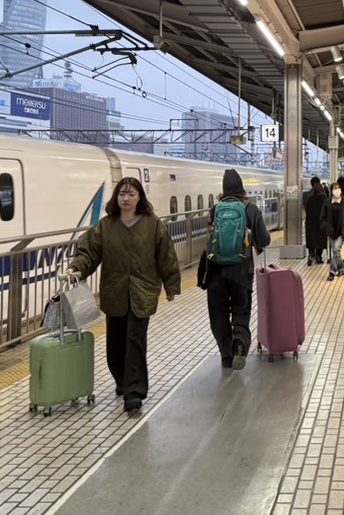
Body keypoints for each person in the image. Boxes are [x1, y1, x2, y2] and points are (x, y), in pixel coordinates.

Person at [67, 177, 180, 414]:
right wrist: (76, 268)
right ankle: (121, 379)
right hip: (114, 290)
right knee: (115, 342)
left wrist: (172, 286)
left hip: (143, 290)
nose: (125, 198)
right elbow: (89, 253)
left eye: (131, 194)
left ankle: (134, 392)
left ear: (140, 198)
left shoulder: (153, 225)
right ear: (116, 198)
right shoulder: (106, 226)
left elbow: (166, 256)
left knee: (135, 339)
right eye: (121, 194)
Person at [205, 169, 271, 370]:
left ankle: (226, 355)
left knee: (218, 312)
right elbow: (265, 240)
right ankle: (240, 342)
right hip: (241, 271)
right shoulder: (250, 209)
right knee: (241, 309)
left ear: (223, 189)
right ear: (242, 187)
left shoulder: (216, 209)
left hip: (216, 271)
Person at [320, 182, 344, 281]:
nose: (336, 190)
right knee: (336, 252)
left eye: (338, 188)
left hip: (343, 230)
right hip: (332, 231)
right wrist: (325, 227)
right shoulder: (327, 202)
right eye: (334, 188)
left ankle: (332, 272)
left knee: (336, 249)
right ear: (331, 191)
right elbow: (322, 217)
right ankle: (341, 268)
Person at [305, 182, 328, 265]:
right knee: (320, 240)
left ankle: (311, 254)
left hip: (310, 222)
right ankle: (318, 256)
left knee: (311, 239)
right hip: (320, 223)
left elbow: (307, 210)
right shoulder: (324, 199)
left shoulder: (310, 199)